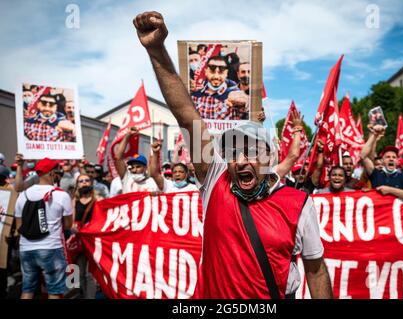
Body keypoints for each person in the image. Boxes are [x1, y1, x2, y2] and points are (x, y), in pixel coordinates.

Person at [134, 11, 333, 299]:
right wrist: (156, 50)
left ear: (270, 156)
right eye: (233, 152)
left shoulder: (298, 204)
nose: (240, 161)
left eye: (251, 150)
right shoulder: (216, 180)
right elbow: (187, 116)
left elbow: (315, 270)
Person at [14, 158, 73, 299]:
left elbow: (18, 227)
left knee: (27, 290)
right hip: (51, 248)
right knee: (54, 291)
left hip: (26, 248)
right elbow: (68, 225)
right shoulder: (61, 195)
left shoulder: (23, 195)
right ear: (52, 173)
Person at [360, 125, 403, 202]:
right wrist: (374, 135)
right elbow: (363, 156)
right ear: (382, 161)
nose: (391, 159)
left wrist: (390, 190)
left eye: (394, 157)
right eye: (388, 157)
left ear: (397, 162)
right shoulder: (376, 173)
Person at [191, 55, 249, 120]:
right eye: (212, 72)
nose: (216, 76)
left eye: (221, 72)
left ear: (226, 73)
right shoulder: (195, 97)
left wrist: (246, 103)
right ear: (206, 72)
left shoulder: (235, 95)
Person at [70, 174, 97, 299]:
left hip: (93, 241)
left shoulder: (98, 200)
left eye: (87, 180)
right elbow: (70, 222)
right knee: (76, 271)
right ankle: (76, 294)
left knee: (90, 274)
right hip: (78, 241)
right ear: (77, 185)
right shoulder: (74, 201)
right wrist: (73, 229)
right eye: (81, 181)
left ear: (91, 183)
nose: (84, 183)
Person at [113, 127, 158, 193]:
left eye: (138, 167)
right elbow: (117, 158)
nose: (134, 170)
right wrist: (127, 136)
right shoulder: (127, 178)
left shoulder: (153, 183)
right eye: (132, 167)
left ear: (145, 168)